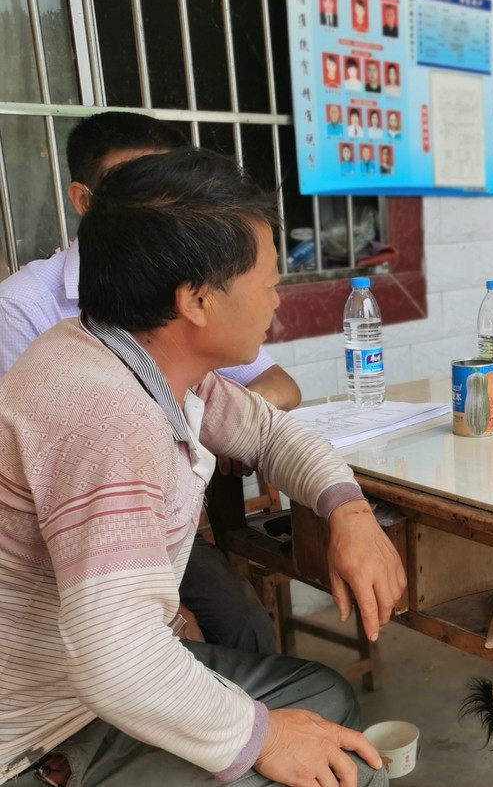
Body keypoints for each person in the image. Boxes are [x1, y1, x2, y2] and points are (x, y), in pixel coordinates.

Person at [0, 147, 406, 786]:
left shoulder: (131, 355)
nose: (277, 303)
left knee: (321, 698)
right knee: (350, 769)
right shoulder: (106, 416)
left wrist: (348, 510)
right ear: (195, 300)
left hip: (96, 685)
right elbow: (116, 661)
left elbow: (271, 433)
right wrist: (265, 737)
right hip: (42, 735)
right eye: (268, 283)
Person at [0, 111, 300, 654]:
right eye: (142, 189)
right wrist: (159, 618)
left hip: (156, 527)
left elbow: (272, 399)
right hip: (64, 550)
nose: (275, 301)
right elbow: (116, 649)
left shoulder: (164, 345)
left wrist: (344, 505)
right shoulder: (34, 320)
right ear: (86, 201)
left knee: (243, 626)